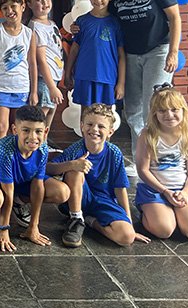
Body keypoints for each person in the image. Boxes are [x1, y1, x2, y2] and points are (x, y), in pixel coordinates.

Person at [107, 0, 181, 173]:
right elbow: (106, 18)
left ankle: (163, 159)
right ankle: (141, 161)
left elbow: (175, 18)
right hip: (130, 55)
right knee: (133, 110)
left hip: (157, 51)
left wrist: (173, 51)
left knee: (157, 106)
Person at [46, 104, 149, 247]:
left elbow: (120, 188)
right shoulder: (76, 149)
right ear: (82, 126)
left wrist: (129, 222)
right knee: (76, 168)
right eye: (90, 124)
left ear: (110, 132)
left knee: (127, 237)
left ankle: (89, 220)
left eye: (101, 126)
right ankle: (76, 219)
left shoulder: (114, 153)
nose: (94, 129)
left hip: (104, 201)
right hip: (79, 198)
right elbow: (48, 168)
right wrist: (71, 164)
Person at [0, 105, 69, 251]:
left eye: (38, 131)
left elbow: (38, 186)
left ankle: (18, 202)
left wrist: (34, 226)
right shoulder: (4, 150)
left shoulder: (42, 149)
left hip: (22, 180)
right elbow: (8, 191)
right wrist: (3, 228)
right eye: (26, 130)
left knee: (62, 192)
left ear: (45, 131)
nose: (32, 137)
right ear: (15, 130)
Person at [135, 84, 188, 241]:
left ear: (183, 111)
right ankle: (149, 211)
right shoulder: (147, 136)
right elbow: (143, 170)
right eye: (162, 111)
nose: (169, 114)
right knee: (164, 230)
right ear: (154, 113)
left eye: (174, 109)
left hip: (180, 190)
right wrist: (164, 191)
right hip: (154, 190)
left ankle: (175, 214)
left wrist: (185, 193)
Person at [0, 0, 38, 144]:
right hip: (1, 87)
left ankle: (14, 157)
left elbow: (32, 64)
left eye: (13, 6)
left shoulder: (29, 34)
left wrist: (33, 91)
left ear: (22, 7)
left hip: (21, 88)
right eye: (5, 8)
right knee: (0, 128)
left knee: (17, 129)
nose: (9, 11)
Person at [64, 0, 125, 112]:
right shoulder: (82, 21)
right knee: (86, 115)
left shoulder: (115, 23)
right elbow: (74, 49)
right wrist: (67, 73)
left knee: (106, 117)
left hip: (108, 77)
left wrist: (121, 83)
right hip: (84, 75)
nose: (98, 0)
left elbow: (121, 55)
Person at [24, 0, 64, 130]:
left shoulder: (51, 23)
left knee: (49, 116)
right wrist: (52, 87)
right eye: (39, 0)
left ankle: (43, 142)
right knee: (40, 120)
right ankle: (36, 142)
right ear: (29, 4)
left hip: (53, 78)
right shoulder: (36, 27)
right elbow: (41, 60)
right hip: (45, 80)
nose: (44, 2)